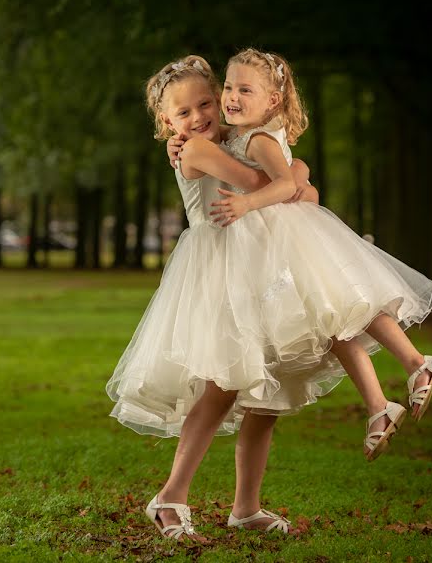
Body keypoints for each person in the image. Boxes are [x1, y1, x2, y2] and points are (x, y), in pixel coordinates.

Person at [174, 47, 432, 463]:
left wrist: (263, 194)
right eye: (228, 87)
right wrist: (298, 175)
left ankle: (412, 367)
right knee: (340, 323)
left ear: (273, 101)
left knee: (348, 313)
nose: (232, 97)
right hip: (277, 248)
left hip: (286, 246)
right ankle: (383, 400)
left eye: (244, 89)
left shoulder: (256, 139)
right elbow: (294, 182)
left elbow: (281, 185)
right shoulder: (237, 137)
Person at [106, 55, 323, 542]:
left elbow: (277, 172)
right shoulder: (197, 148)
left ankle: (246, 507)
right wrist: (297, 178)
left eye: (206, 103)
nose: (198, 116)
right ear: (168, 123)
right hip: (218, 268)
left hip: (256, 266)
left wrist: (291, 170)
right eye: (183, 113)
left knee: (265, 391)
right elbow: (259, 183)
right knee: (223, 383)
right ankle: (171, 495)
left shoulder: (227, 137)